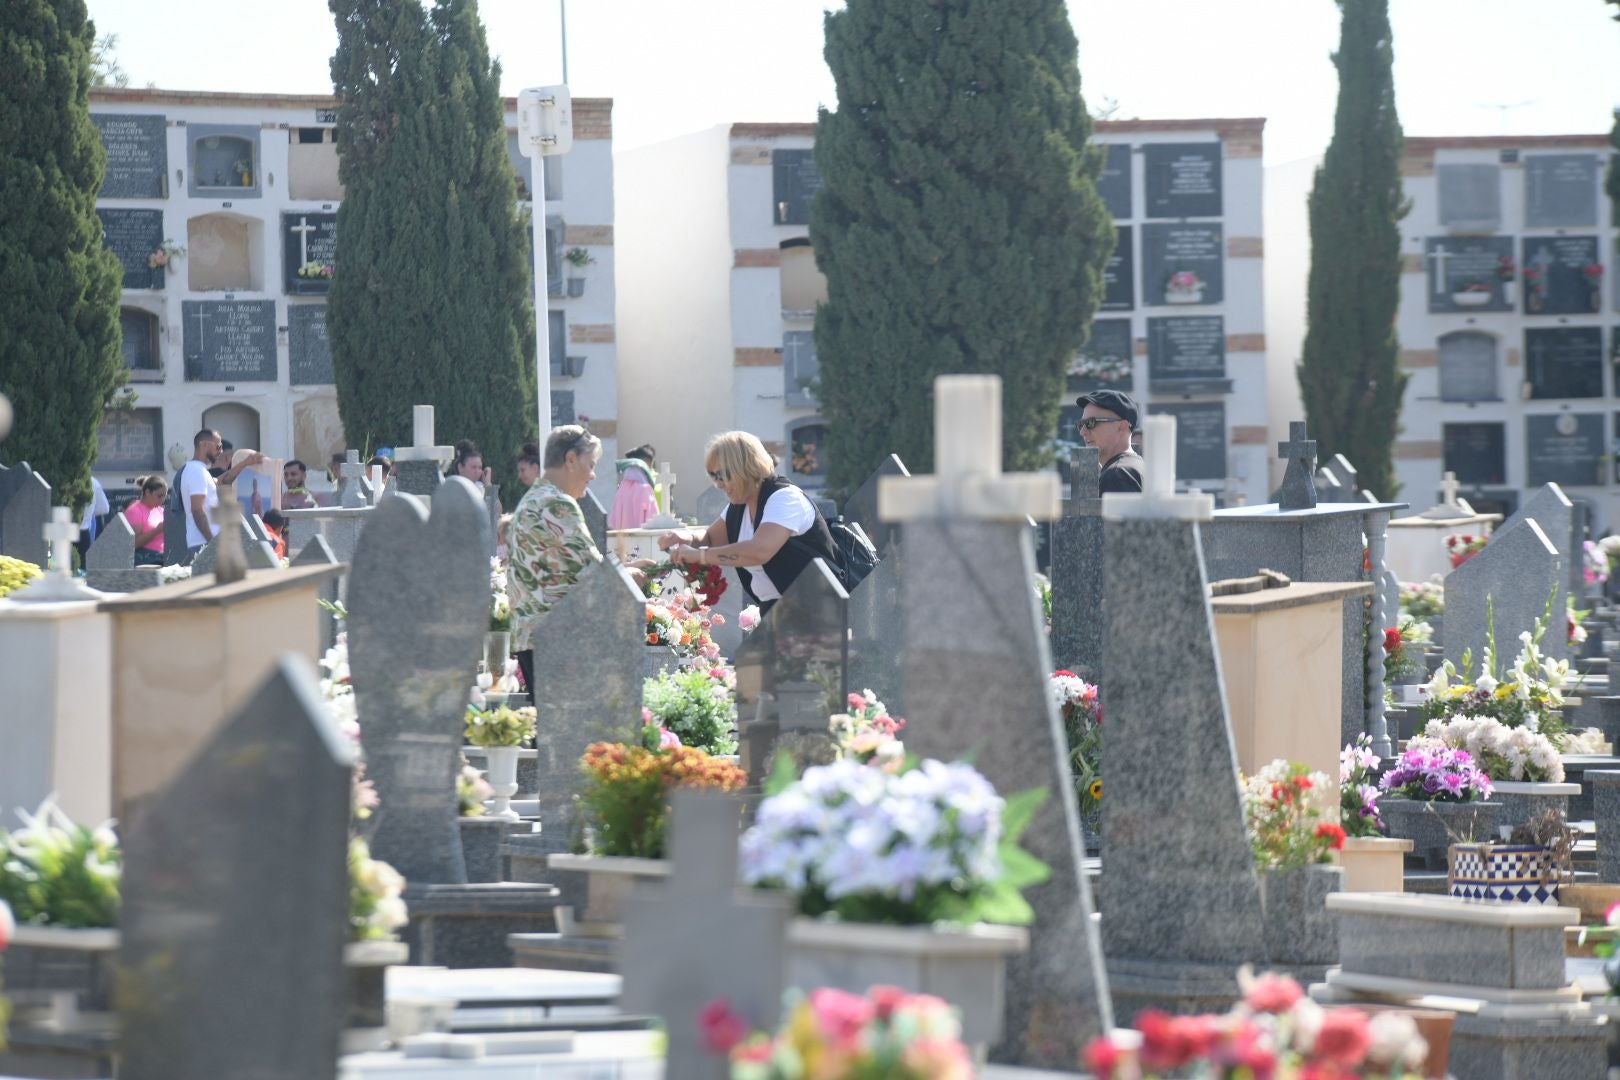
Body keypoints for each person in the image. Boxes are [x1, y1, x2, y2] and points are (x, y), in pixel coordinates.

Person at [658, 430, 839, 617]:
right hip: (781, 610)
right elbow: (711, 538)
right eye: (714, 477)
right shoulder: (739, 506)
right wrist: (687, 537)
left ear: (744, 468)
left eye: (722, 476)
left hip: (817, 611)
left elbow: (759, 551)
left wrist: (700, 556)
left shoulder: (785, 498)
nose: (718, 485)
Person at [507, 425, 604, 693]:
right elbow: (595, 572)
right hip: (557, 637)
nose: (593, 475)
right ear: (571, 459)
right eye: (591, 464)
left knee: (549, 730)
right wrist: (635, 574)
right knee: (567, 732)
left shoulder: (533, 499)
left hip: (533, 636)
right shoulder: (557, 503)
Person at [180, 429, 264, 562]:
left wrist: (245, 463)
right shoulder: (196, 471)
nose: (220, 451)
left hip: (206, 542)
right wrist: (212, 544)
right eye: (218, 446)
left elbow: (222, 481)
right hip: (204, 542)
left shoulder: (200, 470)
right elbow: (197, 510)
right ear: (204, 445)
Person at [1076, 389, 1144, 494]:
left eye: (1090, 423)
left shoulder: (1117, 474)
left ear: (1122, 427)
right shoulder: (1138, 465)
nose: (1082, 431)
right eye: (1081, 424)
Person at [609, 443, 659, 529]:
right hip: (642, 540)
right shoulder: (645, 489)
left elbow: (613, 521)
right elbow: (654, 521)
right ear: (646, 465)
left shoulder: (622, 488)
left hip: (622, 540)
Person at [124, 475, 168, 566]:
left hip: (164, 556)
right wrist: (157, 530)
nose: (162, 500)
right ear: (147, 492)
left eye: (164, 496)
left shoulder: (160, 510)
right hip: (147, 560)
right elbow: (133, 543)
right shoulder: (135, 511)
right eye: (159, 496)